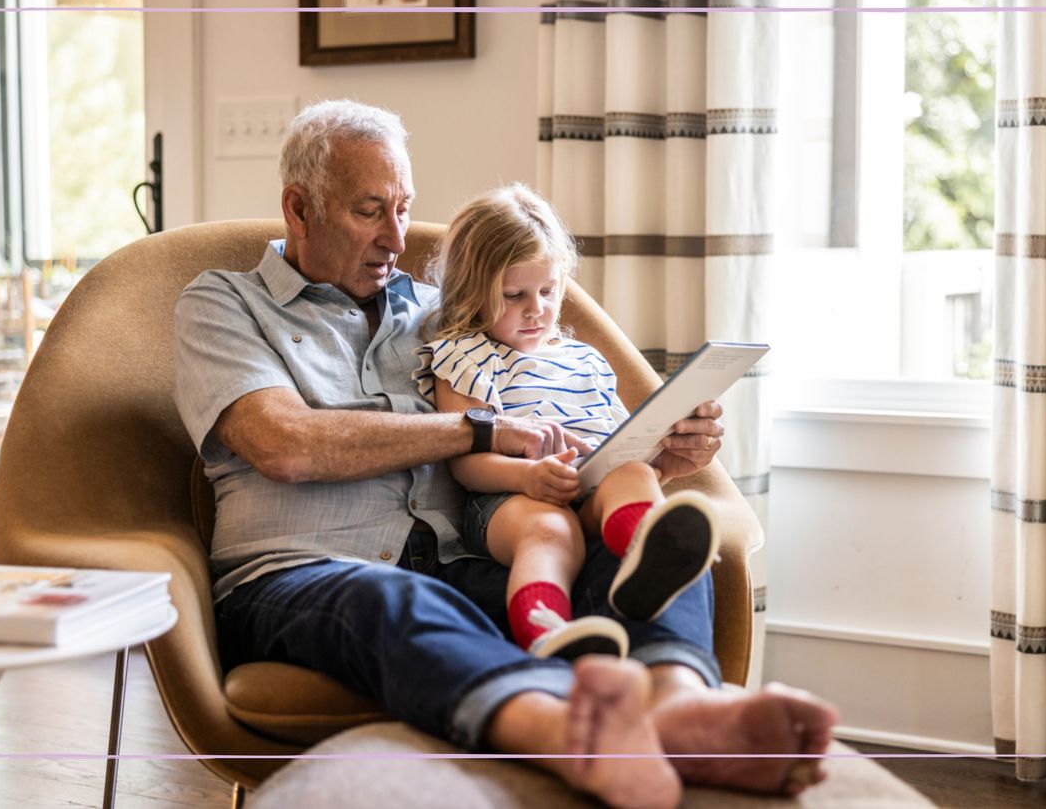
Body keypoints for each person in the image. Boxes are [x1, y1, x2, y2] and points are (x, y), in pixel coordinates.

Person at [172, 99, 837, 809]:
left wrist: (645, 457)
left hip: (469, 566)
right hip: (301, 578)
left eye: (404, 208)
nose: (397, 237)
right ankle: (570, 736)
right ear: (298, 209)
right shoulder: (223, 304)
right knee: (396, 598)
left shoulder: (440, 312)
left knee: (645, 541)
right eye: (371, 211)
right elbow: (286, 443)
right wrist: (479, 431)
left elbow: (551, 412)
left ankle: (681, 707)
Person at [412, 183, 721, 662]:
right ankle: (544, 631)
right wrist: (528, 477)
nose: (536, 309)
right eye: (514, 295)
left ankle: (650, 560)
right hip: (508, 500)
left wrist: (660, 459)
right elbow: (464, 461)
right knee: (550, 531)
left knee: (635, 474)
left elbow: (619, 446)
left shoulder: (587, 361)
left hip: (592, 489)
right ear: (473, 292)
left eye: (548, 291)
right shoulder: (465, 355)